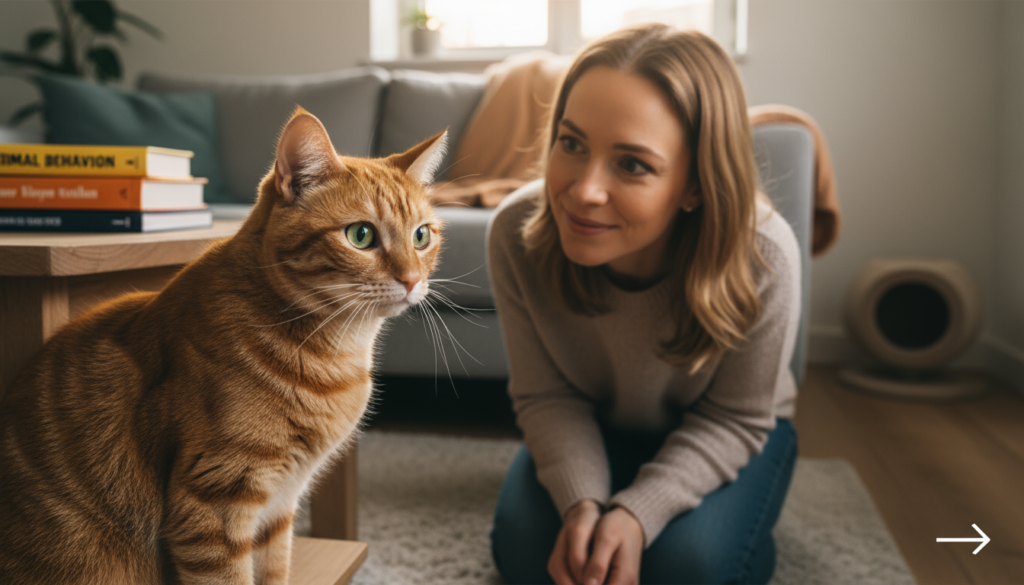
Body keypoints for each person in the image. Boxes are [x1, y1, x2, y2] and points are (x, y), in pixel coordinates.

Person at [486, 23, 802, 585]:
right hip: (593, 420)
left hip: (729, 425)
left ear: (695, 186)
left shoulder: (765, 255)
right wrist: (583, 504)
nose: (584, 190)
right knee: (535, 558)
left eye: (632, 164)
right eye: (572, 143)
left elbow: (736, 416)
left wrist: (638, 513)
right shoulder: (515, 231)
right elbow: (546, 395)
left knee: (685, 569)